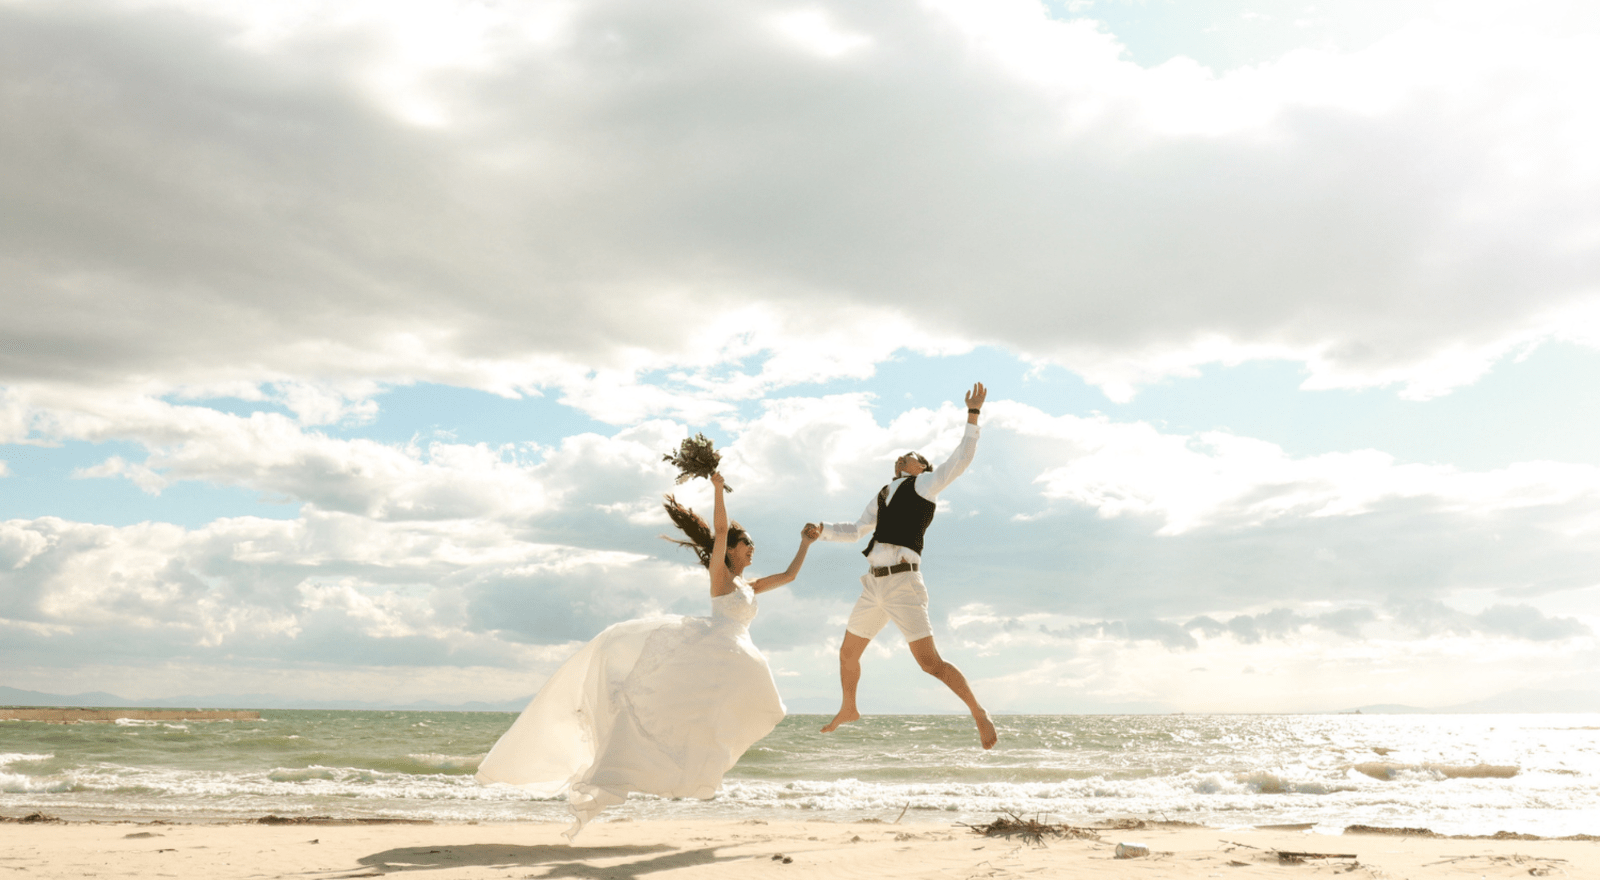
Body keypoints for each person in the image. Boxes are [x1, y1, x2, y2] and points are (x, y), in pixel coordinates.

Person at [476, 471, 820, 838]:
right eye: (746, 543)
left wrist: (805, 543)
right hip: (716, 650)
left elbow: (789, 576)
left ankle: (700, 756)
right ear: (732, 549)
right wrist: (718, 490)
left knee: (739, 708)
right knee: (690, 706)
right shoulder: (720, 577)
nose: (752, 549)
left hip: (732, 656)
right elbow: (719, 532)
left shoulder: (750, 586)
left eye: (752, 545)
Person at [810, 382, 997, 749]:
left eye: (908, 457)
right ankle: (849, 707)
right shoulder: (883, 493)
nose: (900, 460)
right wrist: (823, 531)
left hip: (903, 583)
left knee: (930, 664)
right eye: (898, 458)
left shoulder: (925, 485)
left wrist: (972, 414)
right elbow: (857, 529)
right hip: (873, 584)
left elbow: (961, 457)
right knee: (847, 653)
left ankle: (977, 711)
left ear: (922, 467)